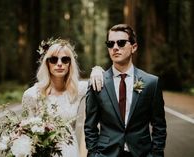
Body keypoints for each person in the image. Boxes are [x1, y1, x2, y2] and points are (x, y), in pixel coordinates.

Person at [84, 24, 167, 157]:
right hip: (106, 154)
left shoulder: (152, 83)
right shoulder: (98, 82)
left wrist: (156, 154)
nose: (115, 48)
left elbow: (159, 126)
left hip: (141, 153)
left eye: (121, 43)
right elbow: (90, 126)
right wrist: (94, 154)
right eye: (110, 44)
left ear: (134, 47)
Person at [21, 38, 103, 157]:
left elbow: (101, 81)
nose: (59, 64)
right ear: (47, 63)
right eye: (54, 59)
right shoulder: (32, 95)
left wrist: (97, 69)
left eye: (65, 59)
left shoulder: (78, 90)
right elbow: (25, 135)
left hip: (71, 150)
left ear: (70, 64)